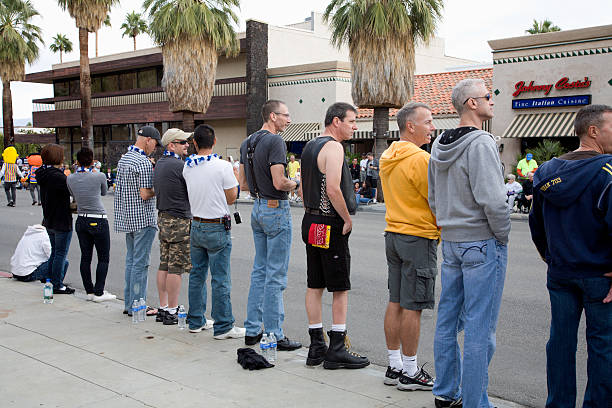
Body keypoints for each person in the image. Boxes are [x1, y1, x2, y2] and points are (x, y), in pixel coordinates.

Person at [428, 78, 510, 408]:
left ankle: (446, 392)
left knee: (448, 319)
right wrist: (501, 235)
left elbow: (433, 198)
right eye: (487, 96)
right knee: (480, 326)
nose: (492, 101)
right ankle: (476, 401)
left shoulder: (438, 144)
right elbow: (493, 199)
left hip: (451, 241)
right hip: (480, 240)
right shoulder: (481, 143)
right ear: (471, 104)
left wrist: (448, 223)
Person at [529, 104, 612, 408]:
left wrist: (551, 257)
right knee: (602, 345)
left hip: (561, 273)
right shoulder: (607, 170)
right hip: (600, 276)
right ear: (593, 131)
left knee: (561, 343)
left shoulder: (546, 172)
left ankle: (559, 403)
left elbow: (536, 224)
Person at [301, 102, 369, 369]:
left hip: (311, 219)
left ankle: (316, 345)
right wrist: (347, 218)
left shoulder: (309, 146)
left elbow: (304, 188)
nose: (355, 126)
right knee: (340, 287)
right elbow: (333, 188)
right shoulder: (334, 147)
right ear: (336, 121)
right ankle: (337, 347)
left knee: (314, 284)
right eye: (352, 121)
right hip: (329, 221)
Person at [380, 102, 439, 391]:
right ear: (411, 126)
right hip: (418, 235)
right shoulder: (420, 160)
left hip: (394, 232)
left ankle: (394, 365)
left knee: (396, 301)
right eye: (428, 122)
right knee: (413, 306)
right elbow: (436, 202)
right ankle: (411, 371)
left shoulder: (387, 155)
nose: (433, 127)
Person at [239, 99, 302, 351]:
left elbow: (242, 184)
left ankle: (252, 328)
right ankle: (274, 333)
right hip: (276, 208)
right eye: (285, 115)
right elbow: (279, 182)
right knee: (275, 274)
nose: (288, 120)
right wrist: (295, 183)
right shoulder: (275, 141)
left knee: (260, 271)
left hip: (257, 207)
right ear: (273, 116)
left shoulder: (247, 142)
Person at [184, 124, 246, 339]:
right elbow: (231, 198)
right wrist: (236, 178)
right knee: (220, 278)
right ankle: (223, 326)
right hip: (217, 225)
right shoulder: (222, 166)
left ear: (194, 143)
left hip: (196, 224)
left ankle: (195, 320)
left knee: (197, 275)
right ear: (215, 141)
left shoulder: (188, 166)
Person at [114, 126, 160, 316]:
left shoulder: (125, 158)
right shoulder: (143, 162)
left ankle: (129, 302)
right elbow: (145, 193)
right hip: (143, 218)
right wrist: (160, 187)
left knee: (131, 261)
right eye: (155, 144)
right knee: (141, 263)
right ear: (148, 140)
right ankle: (138, 304)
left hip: (127, 217)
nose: (154, 149)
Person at [153, 128, 194, 325]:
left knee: (164, 263)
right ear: (171, 145)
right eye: (183, 142)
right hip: (179, 219)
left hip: (164, 217)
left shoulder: (160, 163)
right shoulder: (180, 166)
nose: (187, 144)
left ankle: (163, 306)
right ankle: (172, 308)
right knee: (175, 267)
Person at [67, 148, 115, 302]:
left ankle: (89, 291)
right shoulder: (99, 175)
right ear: (92, 160)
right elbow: (104, 192)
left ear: (77, 161)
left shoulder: (70, 178)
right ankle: (99, 292)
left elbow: (73, 195)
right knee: (103, 257)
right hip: (98, 217)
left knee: (85, 257)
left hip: (82, 218)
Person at [36, 144, 76, 295]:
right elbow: (71, 191)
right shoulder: (59, 177)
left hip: (49, 219)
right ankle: (57, 284)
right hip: (61, 219)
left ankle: (51, 280)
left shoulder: (42, 173)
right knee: (60, 254)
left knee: (55, 252)